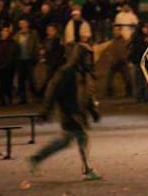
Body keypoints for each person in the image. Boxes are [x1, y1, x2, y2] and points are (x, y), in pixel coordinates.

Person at [28, 42, 101, 181]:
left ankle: (37, 158)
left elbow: (88, 94)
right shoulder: (68, 72)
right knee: (82, 137)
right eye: (86, 57)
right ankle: (86, 169)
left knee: (65, 141)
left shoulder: (84, 73)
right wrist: (47, 111)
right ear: (79, 56)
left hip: (77, 113)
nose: (88, 60)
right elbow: (54, 91)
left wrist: (93, 110)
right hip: (70, 113)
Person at [13, 17, 40, 104]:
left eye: (24, 23)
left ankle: (35, 95)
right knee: (21, 80)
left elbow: (36, 46)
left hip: (29, 59)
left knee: (31, 78)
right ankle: (22, 97)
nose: (22, 25)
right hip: (20, 59)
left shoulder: (33, 34)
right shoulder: (17, 35)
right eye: (20, 24)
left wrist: (36, 56)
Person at [0, 25, 19, 106]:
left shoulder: (13, 43)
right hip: (0, 66)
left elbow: (15, 54)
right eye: (3, 31)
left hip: (10, 66)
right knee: (2, 83)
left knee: (8, 83)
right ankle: (2, 99)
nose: (4, 32)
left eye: (6, 31)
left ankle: (8, 97)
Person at [105, 24, 132, 97]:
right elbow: (110, 52)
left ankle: (129, 93)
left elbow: (127, 51)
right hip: (114, 62)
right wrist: (110, 59)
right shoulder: (112, 42)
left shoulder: (124, 41)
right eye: (114, 30)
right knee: (109, 79)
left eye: (117, 30)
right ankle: (109, 93)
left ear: (120, 31)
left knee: (128, 79)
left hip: (122, 62)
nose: (116, 32)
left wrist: (127, 59)